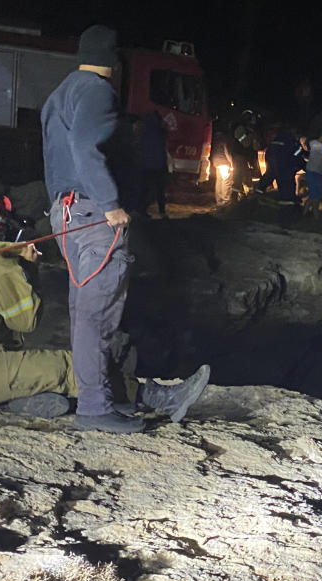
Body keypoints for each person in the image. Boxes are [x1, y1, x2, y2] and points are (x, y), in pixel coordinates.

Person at [0, 194, 209, 426]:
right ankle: (159, 397)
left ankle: (15, 401)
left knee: (34, 364)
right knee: (72, 366)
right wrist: (28, 268)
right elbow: (26, 322)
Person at [41, 24, 205, 433]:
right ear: (114, 63)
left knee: (84, 312)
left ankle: (102, 399)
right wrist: (111, 204)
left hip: (66, 213)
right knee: (97, 315)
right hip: (94, 214)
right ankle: (95, 409)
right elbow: (85, 147)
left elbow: (60, 152)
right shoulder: (96, 91)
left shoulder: (60, 92)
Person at [139, 112, 169, 216]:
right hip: (158, 166)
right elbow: (162, 150)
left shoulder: (143, 132)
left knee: (147, 190)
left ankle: (143, 211)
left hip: (147, 166)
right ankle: (162, 211)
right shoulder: (160, 132)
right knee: (160, 190)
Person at [211, 125, 236, 207]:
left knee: (219, 181)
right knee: (226, 181)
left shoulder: (214, 139)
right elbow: (227, 152)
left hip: (216, 162)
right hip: (224, 162)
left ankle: (219, 201)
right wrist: (231, 163)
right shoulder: (224, 139)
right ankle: (225, 201)